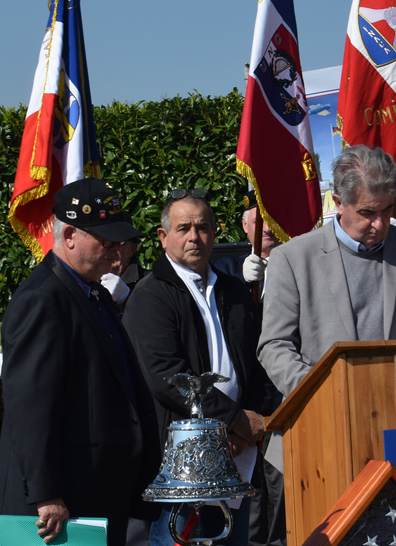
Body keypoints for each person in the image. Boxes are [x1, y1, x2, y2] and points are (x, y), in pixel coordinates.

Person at [0, 178, 160, 546]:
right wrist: (46, 493)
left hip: (97, 493)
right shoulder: (42, 299)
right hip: (59, 506)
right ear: (69, 236)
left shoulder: (92, 291)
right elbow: (29, 406)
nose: (118, 254)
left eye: (120, 244)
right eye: (107, 243)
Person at [122, 189, 274, 546]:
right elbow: (168, 376)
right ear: (163, 237)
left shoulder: (234, 291)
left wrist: (248, 427)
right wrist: (232, 422)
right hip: (178, 466)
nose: (194, 236)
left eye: (203, 227)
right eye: (184, 228)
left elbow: (259, 362)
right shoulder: (150, 295)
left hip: (237, 456)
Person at [258, 144, 396, 397]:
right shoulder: (292, 258)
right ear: (338, 202)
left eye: (387, 210)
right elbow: (275, 345)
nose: (379, 224)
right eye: (367, 212)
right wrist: (321, 393)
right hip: (323, 407)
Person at [213, 190, 280, 284]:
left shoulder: (297, 266)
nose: (267, 228)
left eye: (273, 221)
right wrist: (242, 278)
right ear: (245, 225)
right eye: (258, 222)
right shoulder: (227, 267)